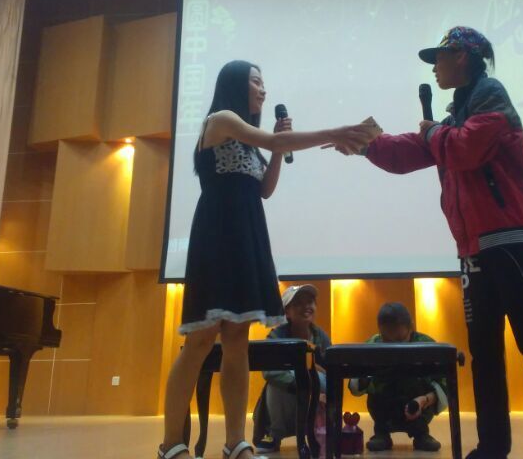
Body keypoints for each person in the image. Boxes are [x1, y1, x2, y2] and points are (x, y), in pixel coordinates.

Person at [341, 27, 523, 459]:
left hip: (511, 238)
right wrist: (366, 145)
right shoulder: (457, 114)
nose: (434, 67)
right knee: (485, 353)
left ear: (462, 57)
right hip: (473, 247)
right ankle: (493, 447)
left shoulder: (490, 95)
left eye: (438, 57)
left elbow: (466, 148)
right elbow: (413, 151)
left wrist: (433, 133)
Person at [158, 60, 375, 459]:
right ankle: (171, 443)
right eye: (256, 81)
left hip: (248, 236)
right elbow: (272, 145)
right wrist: (331, 133)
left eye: (263, 82)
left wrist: (278, 149)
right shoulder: (221, 119)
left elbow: (265, 189)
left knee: (237, 340)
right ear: (235, 84)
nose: (263, 89)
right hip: (218, 235)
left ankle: (235, 441)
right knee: (201, 340)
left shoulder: (252, 143)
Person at [349, 302, 445, 453]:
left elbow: (445, 383)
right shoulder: (372, 345)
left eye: (400, 339)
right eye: (387, 340)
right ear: (380, 331)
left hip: (418, 406)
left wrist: (424, 400)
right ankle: (381, 434)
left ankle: (421, 434)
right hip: (383, 407)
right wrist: (366, 377)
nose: (394, 346)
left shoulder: (426, 346)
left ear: (411, 327)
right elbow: (356, 384)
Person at [254, 284, 331, 453]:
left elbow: (331, 374)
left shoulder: (321, 337)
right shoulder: (275, 337)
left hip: (316, 399)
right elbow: (269, 371)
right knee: (275, 384)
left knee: (321, 380)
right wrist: (305, 376)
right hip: (289, 397)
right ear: (287, 313)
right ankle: (274, 435)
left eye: (310, 302)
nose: (306, 307)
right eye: (298, 304)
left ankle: (319, 434)